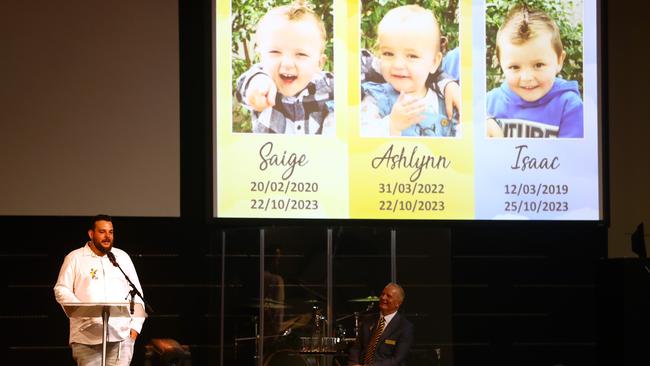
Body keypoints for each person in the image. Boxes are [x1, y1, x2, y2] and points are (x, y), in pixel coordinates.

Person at [54, 214, 145, 366]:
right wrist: (82, 311)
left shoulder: (122, 258)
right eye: (102, 232)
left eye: (111, 232)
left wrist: (135, 329)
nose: (107, 236)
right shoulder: (75, 258)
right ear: (91, 234)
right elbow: (61, 289)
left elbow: (136, 293)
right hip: (86, 338)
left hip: (121, 339)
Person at [235, 0, 334, 135]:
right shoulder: (263, 82)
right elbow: (244, 85)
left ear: (319, 63)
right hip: (270, 156)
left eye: (301, 54)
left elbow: (362, 81)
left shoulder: (328, 86)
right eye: (275, 52)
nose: (287, 63)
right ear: (261, 57)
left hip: (316, 156)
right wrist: (256, 84)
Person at [486, 4, 583, 138]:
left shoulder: (569, 106)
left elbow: (572, 157)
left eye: (538, 65)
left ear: (559, 61)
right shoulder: (489, 104)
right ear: (500, 63)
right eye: (514, 67)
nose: (526, 77)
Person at [360, 5, 458, 137]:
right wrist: (391, 125)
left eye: (412, 56)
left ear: (434, 62)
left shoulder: (445, 102)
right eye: (388, 53)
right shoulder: (375, 98)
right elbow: (361, 140)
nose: (398, 64)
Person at [347, 283, 414, 366]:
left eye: (388, 296)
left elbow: (396, 359)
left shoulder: (405, 327)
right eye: (382, 294)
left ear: (398, 303)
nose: (383, 297)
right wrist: (354, 364)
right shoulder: (367, 320)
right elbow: (356, 348)